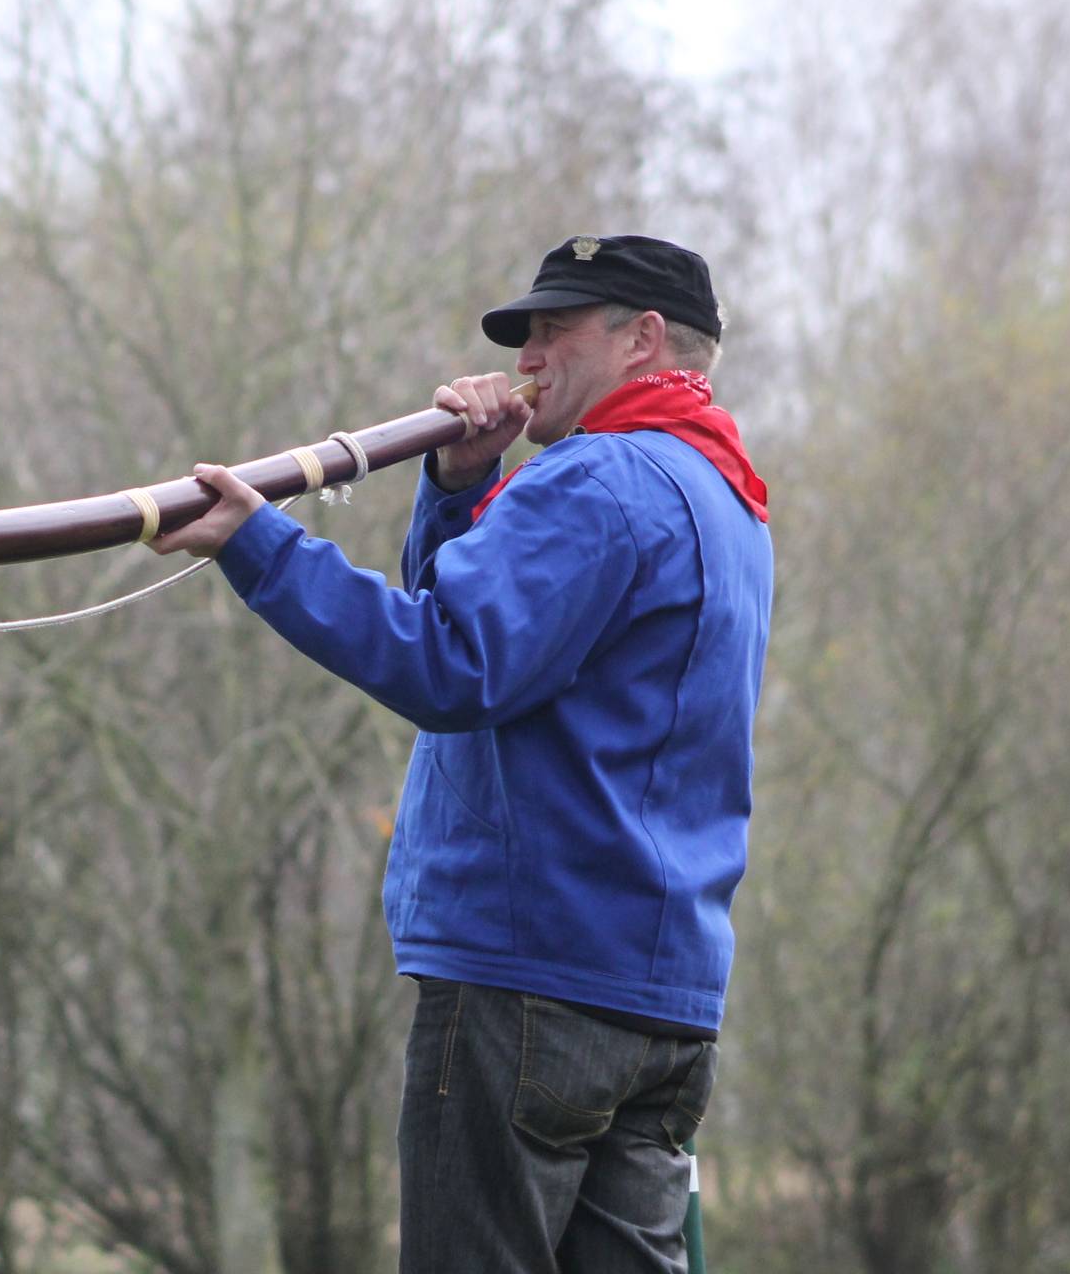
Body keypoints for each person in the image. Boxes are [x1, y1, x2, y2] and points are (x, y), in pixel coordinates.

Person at [149, 235, 772, 1273]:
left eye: (556, 327)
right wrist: (457, 483)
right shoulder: (725, 495)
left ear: (645, 339)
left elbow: (448, 666)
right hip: (659, 1003)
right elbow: (501, 641)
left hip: (527, 986)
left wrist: (260, 546)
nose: (527, 354)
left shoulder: (598, 480)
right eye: (523, 333)